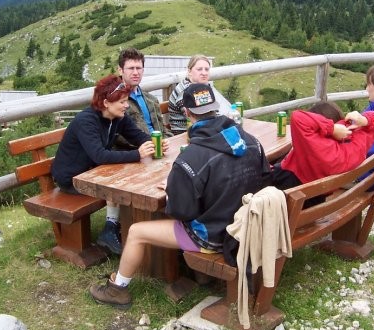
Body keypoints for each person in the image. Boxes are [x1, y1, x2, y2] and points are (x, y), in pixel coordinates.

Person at [89, 83, 271, 309]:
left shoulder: (191, 157)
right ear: (215, 109)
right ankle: (198, 275)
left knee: (136, 231)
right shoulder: (251, 140)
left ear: (186, 113)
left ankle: (118, 289)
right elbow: (264, 177)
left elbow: (181, 212)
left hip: (215, 236)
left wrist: (173, 189)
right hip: (246, 225)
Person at [51, 75, 167, 255]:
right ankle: (112, 229)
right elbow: (100, 155)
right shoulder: (86, 121)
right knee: (124, 182)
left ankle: (115, 228)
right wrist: (137, 153)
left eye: (126, 100)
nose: (126, 105)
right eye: (122, 101)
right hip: (72, 178)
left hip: (93, 172)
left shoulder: (118, 117)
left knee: (126, 177)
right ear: (106, 102)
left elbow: (136, 135)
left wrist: (153, 143)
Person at [271, 101, 374, 190]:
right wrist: (364, 120)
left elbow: (297, 117)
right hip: (316, 198)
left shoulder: (319, 148)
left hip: (285, 189)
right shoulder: (355, 147)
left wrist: (332, 129)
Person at [115, 47, 173, 145]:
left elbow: (162, 129)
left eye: (138, 68)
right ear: (120, 70)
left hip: (159, 147)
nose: (135, 73)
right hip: (136, 151)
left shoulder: (151, 99)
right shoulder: (115, 101)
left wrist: (168, 140)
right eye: (131, 68)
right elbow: (117, 136)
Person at [167, 54, 231, 134]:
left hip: (202, 130)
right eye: (199, 69)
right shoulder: (185, 91)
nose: (204, 73)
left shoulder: (204, 87)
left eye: (206, 69)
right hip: (185, 135)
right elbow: (195, 118)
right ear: (189, 71)